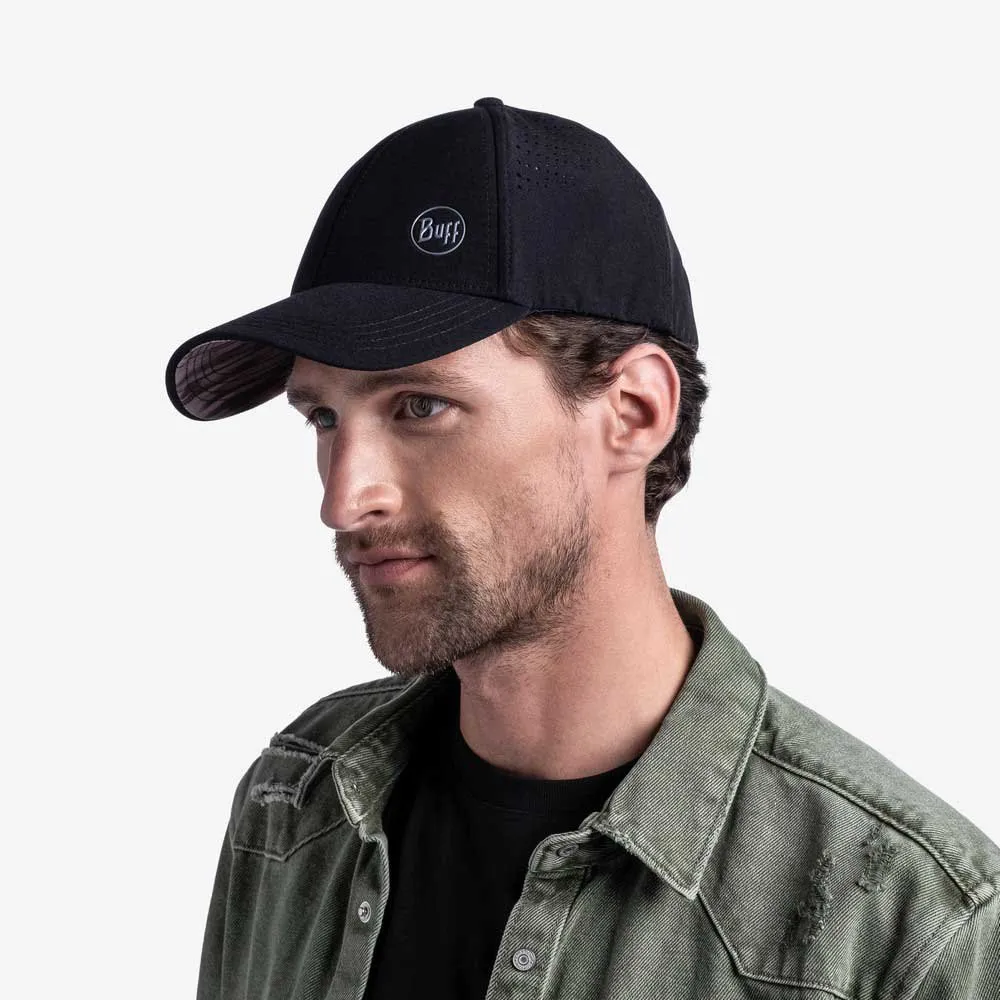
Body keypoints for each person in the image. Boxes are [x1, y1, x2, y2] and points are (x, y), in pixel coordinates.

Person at [165, 98, 999, 1000]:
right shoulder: (297, 801)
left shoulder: (909, 929)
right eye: (324, 419)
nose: (343, 499)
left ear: (634, 412)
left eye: (420, 407)